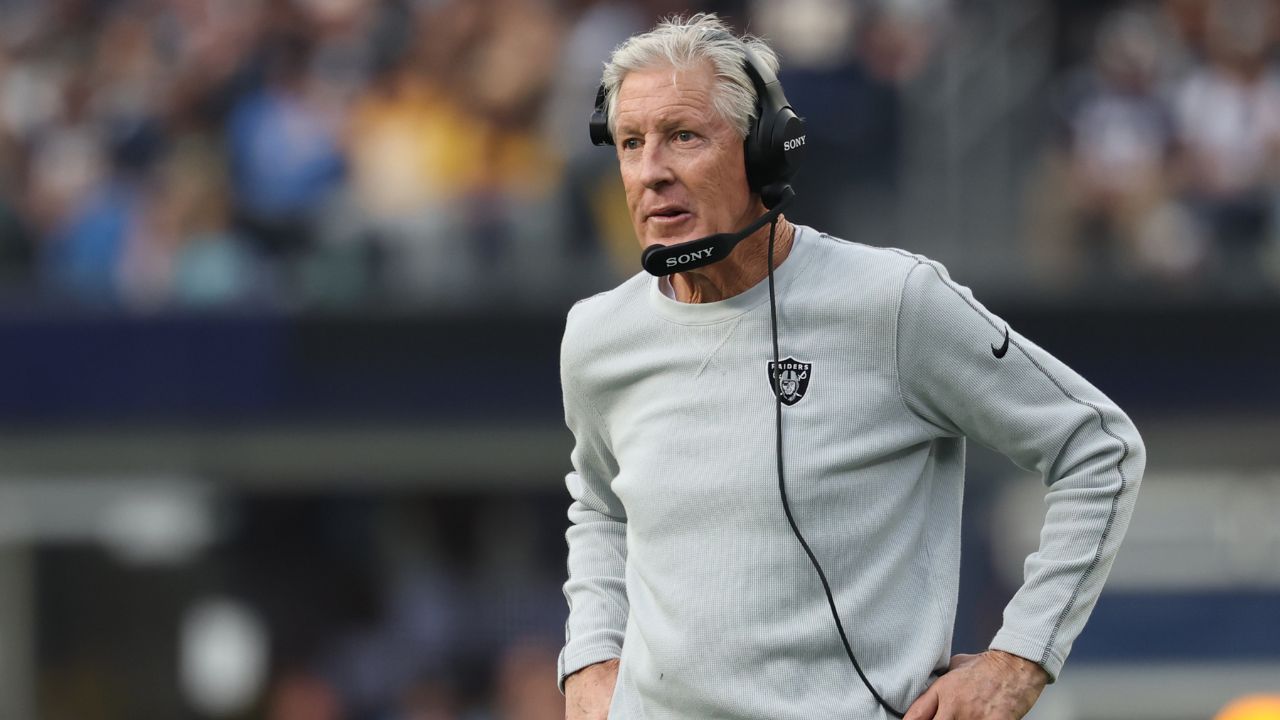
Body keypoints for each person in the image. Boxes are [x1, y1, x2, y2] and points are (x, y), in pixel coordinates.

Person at [557, 14, 1145, 720]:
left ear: (765, 153)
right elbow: (599, 504)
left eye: (684, 136)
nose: (651, 171)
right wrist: (590, 655)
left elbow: (1099, 448)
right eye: (630, 143)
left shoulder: (895, 303)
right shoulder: (596, 336)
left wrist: (1019, 659)